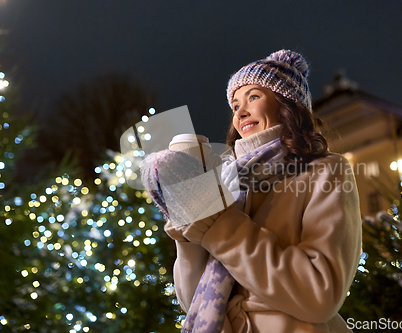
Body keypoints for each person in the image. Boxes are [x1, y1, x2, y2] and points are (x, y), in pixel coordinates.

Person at [142, 50, 362, 333]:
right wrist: (188, 218)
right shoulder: (225, 180)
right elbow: (192, 301)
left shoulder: (324, 170)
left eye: (254, 97)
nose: (241, 112)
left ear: (287, 103)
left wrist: (216, 222)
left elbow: (319, 294)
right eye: (234, 106)